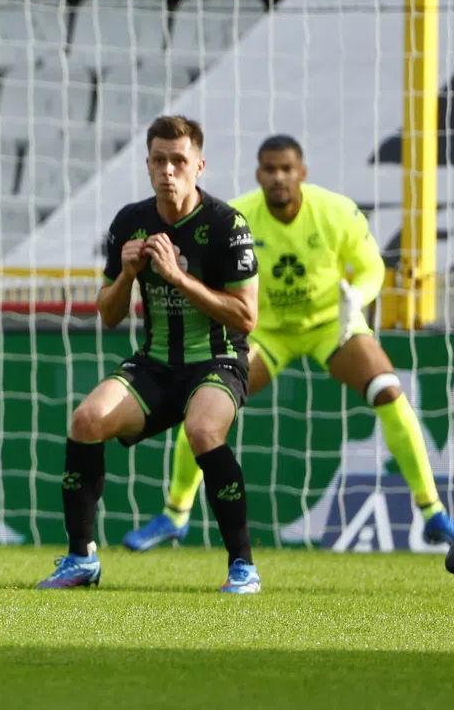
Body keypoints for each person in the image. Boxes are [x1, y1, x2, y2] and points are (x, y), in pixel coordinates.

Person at [124, 134, 454, 551]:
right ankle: (176, 514)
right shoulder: (236, 217)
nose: (279, 177)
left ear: (302, 173)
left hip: (329, 324)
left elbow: (372, 268)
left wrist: (358, 298)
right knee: (203, 404)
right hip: (266, 331)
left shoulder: (335, 212)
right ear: (259, 174)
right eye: (270, 169)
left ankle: (433, 512)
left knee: (388, 391)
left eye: (287, 169)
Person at [38, 115, 262, 594]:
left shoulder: (227, 225)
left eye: (179, 161)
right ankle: (82, 559)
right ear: (147, 164)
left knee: (203, 430)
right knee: (86, 420)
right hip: (156, 363)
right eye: (159, 160)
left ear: (199, 165)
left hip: (217, 360)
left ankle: (242, 566)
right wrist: (125, 276)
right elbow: (109, 314)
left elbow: (245, 318)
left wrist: (179, 278)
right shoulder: (130, 223)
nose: (168, 171)